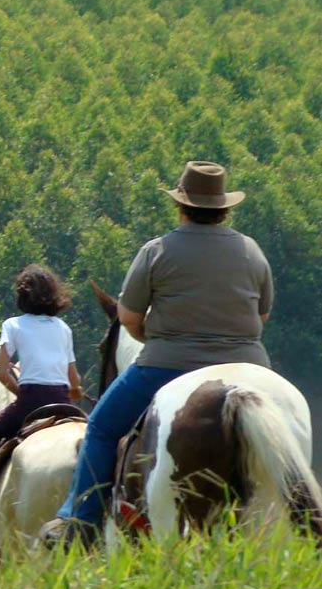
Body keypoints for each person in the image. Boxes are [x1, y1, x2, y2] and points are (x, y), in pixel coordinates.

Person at [40, 161, 273, 548]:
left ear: (181, 205)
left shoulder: (157, 250)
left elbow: (129, 318)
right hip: (249, 366)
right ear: (224, 208)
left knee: (100, 428)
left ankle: (79, 522)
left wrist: (157, 335)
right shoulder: (251, 251)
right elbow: (262, 315)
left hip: (168, 364)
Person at [0, 265, 83, 527]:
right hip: (64, 401)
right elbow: (74, 380)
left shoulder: (12, 325)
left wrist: (21, 392)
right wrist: (76, 391)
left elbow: (0, 373)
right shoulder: (63, 328)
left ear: (22, 295)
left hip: (30, 399)